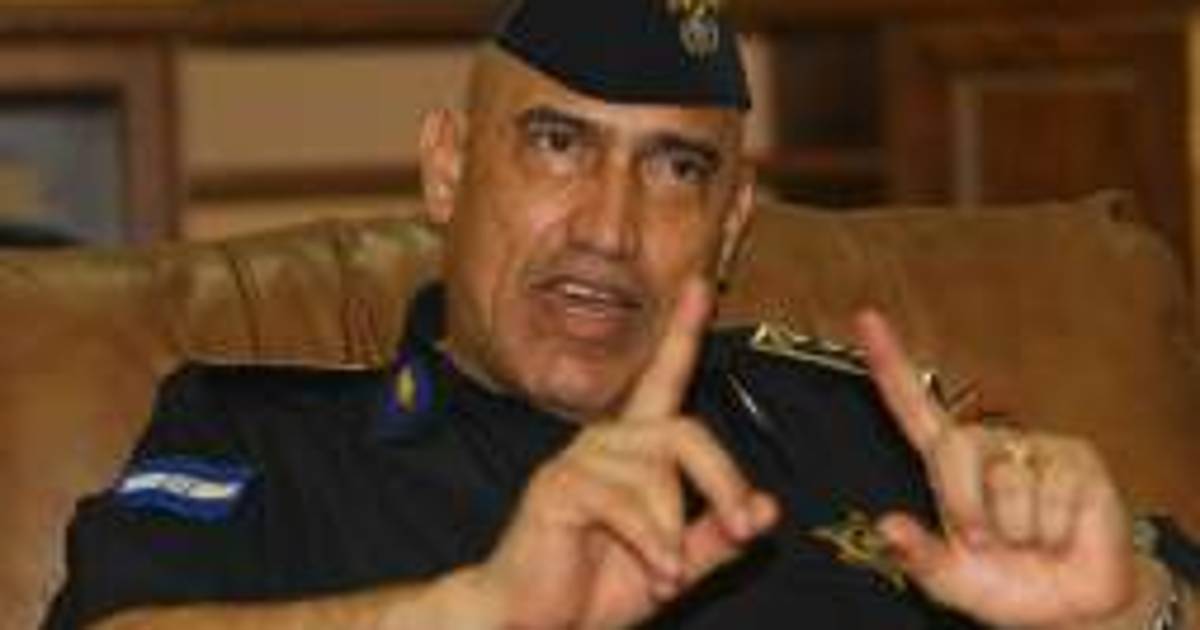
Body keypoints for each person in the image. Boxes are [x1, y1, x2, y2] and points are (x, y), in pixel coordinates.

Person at [45, 0, 1198, 628]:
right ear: (448, 169)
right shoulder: (265, 439)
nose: (609, 225)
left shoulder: (871, 428)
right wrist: (471, 616)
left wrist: (1137, 614)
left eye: (676, 169)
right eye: (558, 144)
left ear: (732, 222)